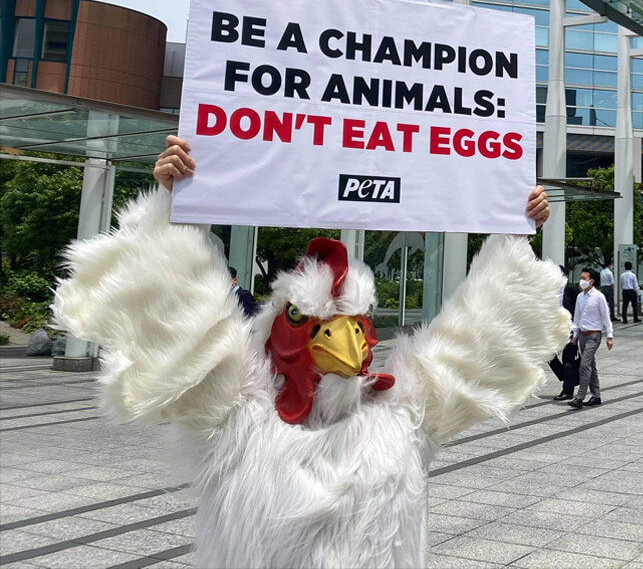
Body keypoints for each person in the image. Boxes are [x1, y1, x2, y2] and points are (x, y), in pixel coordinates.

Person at [52, 135, 567, 568]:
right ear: (279, 325)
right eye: (306, 320)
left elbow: (477, 332)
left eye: (354, 323)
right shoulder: (235, 414)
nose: (337, 337)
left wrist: (512, 230)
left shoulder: (405, 413)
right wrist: (178, 205)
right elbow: (180, 307)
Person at [569, 268, 613, 410]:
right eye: (580, 277)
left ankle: (580, 397)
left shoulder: (599, 297)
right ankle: (596, 396)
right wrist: (575, 336)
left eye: (584, 278)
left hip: (594, 336)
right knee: (590, 366)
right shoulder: (580, 297)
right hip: (582, 335)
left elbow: (606, 317)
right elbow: (577, 317)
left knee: (584, 365)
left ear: (591, 281)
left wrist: (609, 336)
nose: (581, 280)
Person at [554, 266, 581, 401]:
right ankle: (567, 377)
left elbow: (578, 310)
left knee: (568, 360)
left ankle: (568, 390)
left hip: (570, 329)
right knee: (549, 357)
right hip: (556, 330)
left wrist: (576, 332)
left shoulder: (571, 290)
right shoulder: (551, 291)